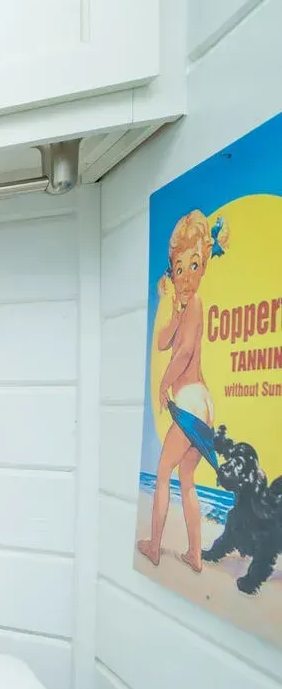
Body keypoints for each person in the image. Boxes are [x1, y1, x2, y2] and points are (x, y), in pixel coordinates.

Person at [138, 209, 228, 570]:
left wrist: (162, 385)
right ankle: (195, 554)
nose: (186, 276)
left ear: (203, 266)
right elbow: (163, 343)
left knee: (162, 474)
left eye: (193, 266)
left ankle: (155, 546)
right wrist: (168, 304)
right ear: (171, 274)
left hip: (189, 399)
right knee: (186, 478)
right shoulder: (186, 306)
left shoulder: (198, 304)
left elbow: (186, 350)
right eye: (178, 269)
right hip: (203, 405)